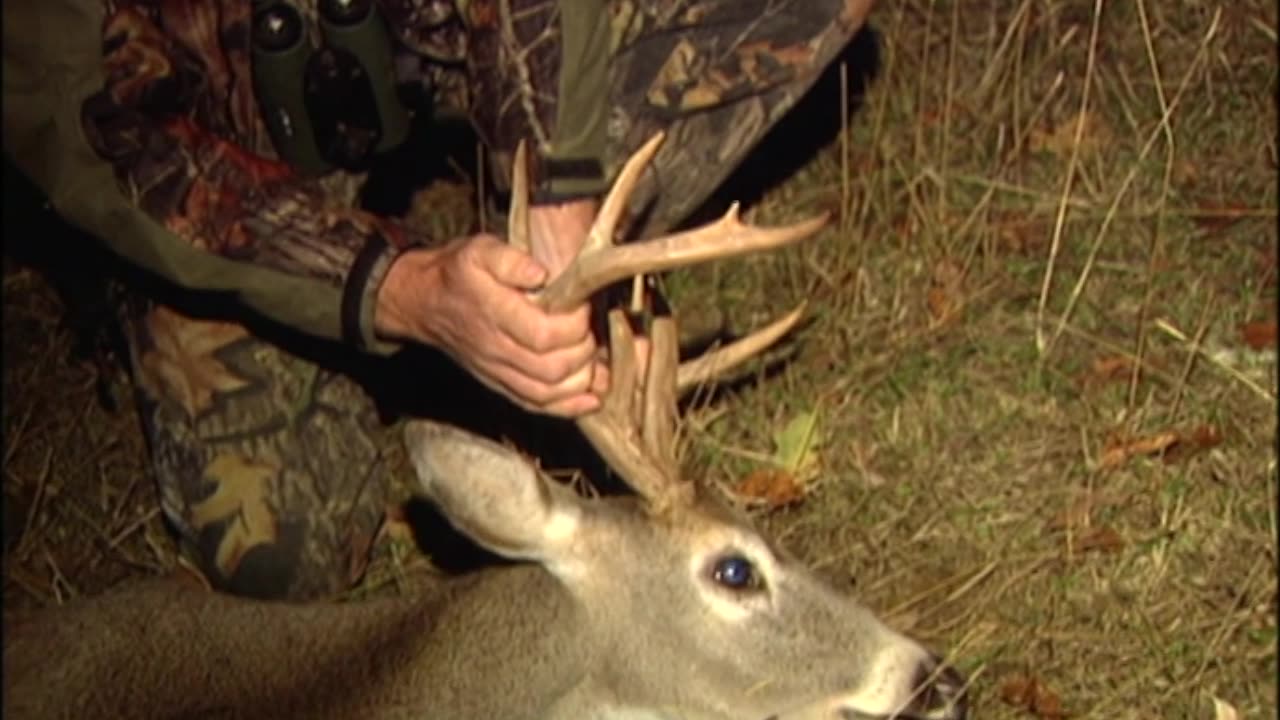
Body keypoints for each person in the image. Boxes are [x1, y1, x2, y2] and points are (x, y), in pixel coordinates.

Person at [3, 0, 875, 601]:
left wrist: (559, 189)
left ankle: (527, 298)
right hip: (210, 170)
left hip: (420, 41)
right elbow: (90, 134)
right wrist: (400, 288)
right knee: (284, 550)